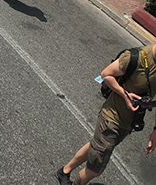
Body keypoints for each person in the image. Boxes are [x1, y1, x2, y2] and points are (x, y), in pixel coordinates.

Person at [54, 43, 156, 185]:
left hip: (128, 123)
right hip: (111, 118)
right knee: (95, 169)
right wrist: (125, 95)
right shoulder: (136, 58)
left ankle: (64, 171)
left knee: (95, 146)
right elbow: (106, 74)